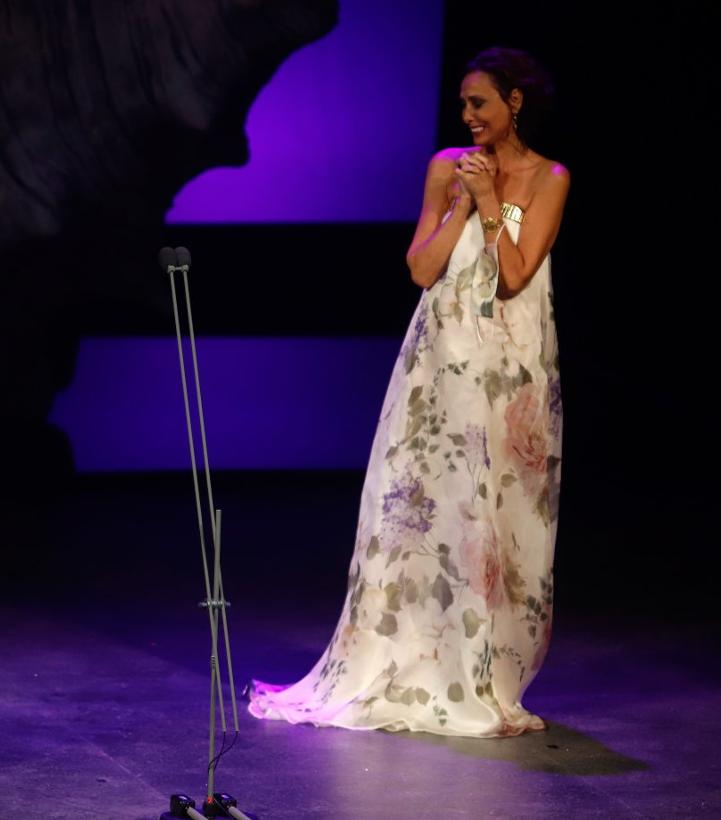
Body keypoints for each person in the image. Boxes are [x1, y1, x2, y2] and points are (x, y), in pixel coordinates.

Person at [249, 47, 569, 737]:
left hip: (511, 370)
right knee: (427, 513)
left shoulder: (549, 178)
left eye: (478, 102)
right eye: (461, 104)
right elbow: (422, 269)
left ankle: (485, 673)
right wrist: (461, 202)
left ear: (513, 102)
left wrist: (492, 205)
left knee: (501, 519)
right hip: (443, 364)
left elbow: (514, 277)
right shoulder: (444, 166)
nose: (467, 116)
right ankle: (413, 660)